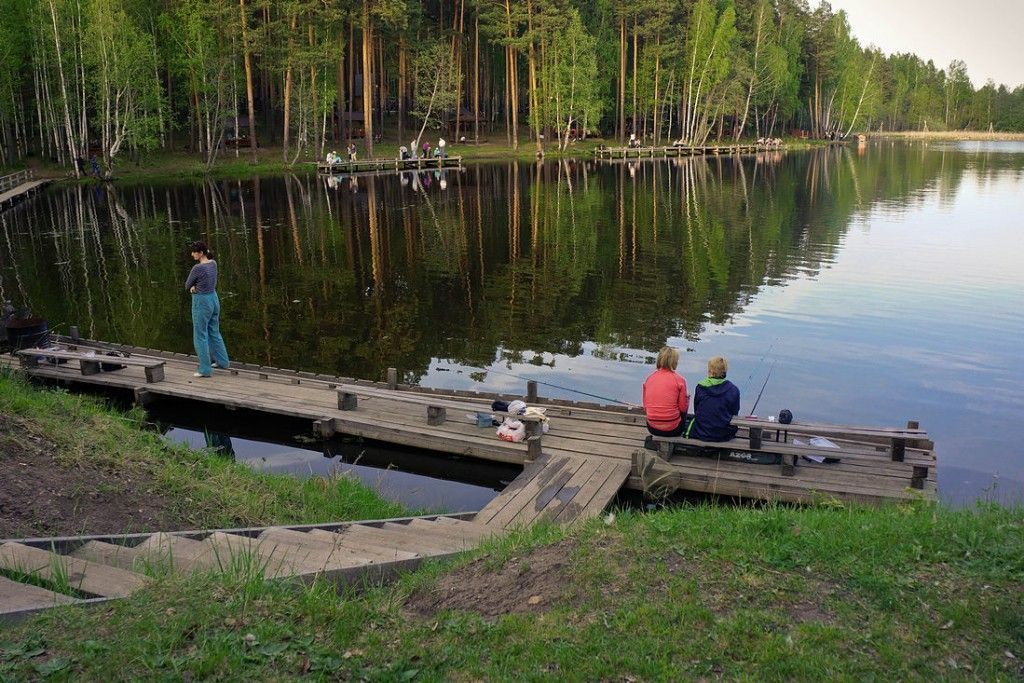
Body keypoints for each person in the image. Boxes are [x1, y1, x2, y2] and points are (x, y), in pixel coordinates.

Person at [185, 240, 230, 378]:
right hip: (214, 299)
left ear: (201, 253)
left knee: (200, 335)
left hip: (202, 301)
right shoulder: (213, 263)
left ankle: (205, 369)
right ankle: (222, 361)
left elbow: (187, 285)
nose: (192, 254)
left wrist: (193, 288)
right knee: (214, 331)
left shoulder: (197, 268)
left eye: (194, 252)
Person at [685, 356, 740, 442]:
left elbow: (697, 409)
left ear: (710, 370)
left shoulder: (700, 387)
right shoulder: (733, 389)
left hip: (701, 432)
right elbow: (735, 412)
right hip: (724, 435)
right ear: (725, 370)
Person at [642, 346, 690, 437]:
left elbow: (645, 407)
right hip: (673, 430)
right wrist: (687, 398)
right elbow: (683, 408)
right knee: (685, 404)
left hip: (652, 428)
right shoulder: (680, 380)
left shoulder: (649, 378)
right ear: (675, 362)